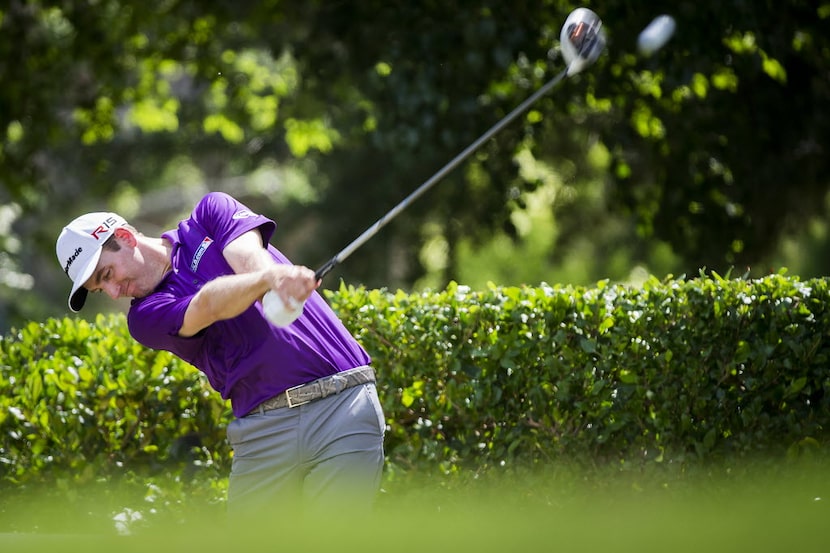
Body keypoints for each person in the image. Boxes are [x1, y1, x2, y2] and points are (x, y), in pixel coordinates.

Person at [55, 191, 385, 516]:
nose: (113, 293)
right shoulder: (144, 317)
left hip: (343, 405)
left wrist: (270, 279)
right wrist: (268, 280)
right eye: (101, 289)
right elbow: (207, 306)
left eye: (107, 275)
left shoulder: (209, 214)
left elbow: (249, 257)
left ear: (125, 237)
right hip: (264, 431)